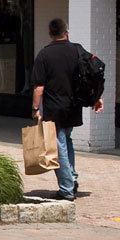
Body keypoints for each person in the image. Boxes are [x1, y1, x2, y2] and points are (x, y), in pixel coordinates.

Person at [29, 18, 103, 201]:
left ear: (50, 34)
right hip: (74, 105)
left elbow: (39, 87)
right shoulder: (77, 50)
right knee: (67, 139)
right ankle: (72, 177)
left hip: (55, 107)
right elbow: (93, 73)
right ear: (66, 32)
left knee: (58, 144)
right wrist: (96, 97)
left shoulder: (44, 55)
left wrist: (35, 108)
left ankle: (67, 188)